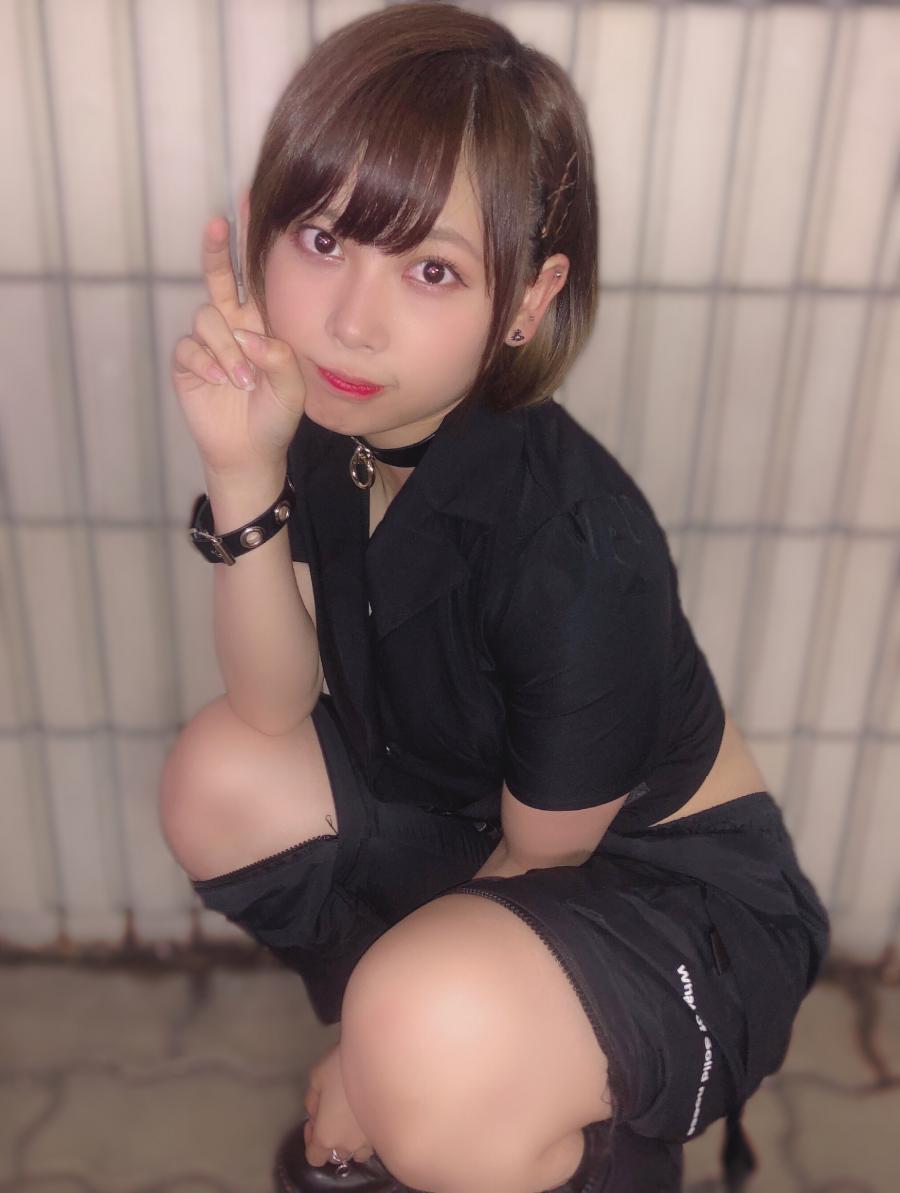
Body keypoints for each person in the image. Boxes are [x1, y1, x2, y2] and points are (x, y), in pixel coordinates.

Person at [162, 5, 831, 1192]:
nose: (351, 320)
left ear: (528, 298)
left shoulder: (576, 547)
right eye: (322, 238)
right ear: (265, 227)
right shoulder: (330, 420)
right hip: (479, 817)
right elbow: (270, 709)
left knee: (425, 1030)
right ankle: (433, 1081)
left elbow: (544, 854)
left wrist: (369, 1058)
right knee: (220, 775)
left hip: (674, 895)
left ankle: (519, 1114)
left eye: (432, 269)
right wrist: (242, 470)